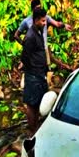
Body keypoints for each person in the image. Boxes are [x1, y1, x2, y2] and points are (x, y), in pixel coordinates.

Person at [14, 0, 72, 70]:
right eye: (37, 8)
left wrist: (64, 25)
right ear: (32, 9)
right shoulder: (26, 21)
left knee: (47, 68)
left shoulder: (45, 18)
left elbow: (57, 24)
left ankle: (67, 68)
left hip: (43, 49)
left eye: (40, 7)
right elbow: (16, 35)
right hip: (33, 52)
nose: (39, 9)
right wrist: (24, 44)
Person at [21, 8, 49, 137]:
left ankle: (36, 127)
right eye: (43, 21)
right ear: (36, 20)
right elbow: (25, 57)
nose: (45, 23)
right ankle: (32, 131)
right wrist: (32, 69)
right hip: (33, 75)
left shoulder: (39, 31)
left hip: (39, 74)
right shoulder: (30, 36)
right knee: (32, 105)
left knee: (38, 102)